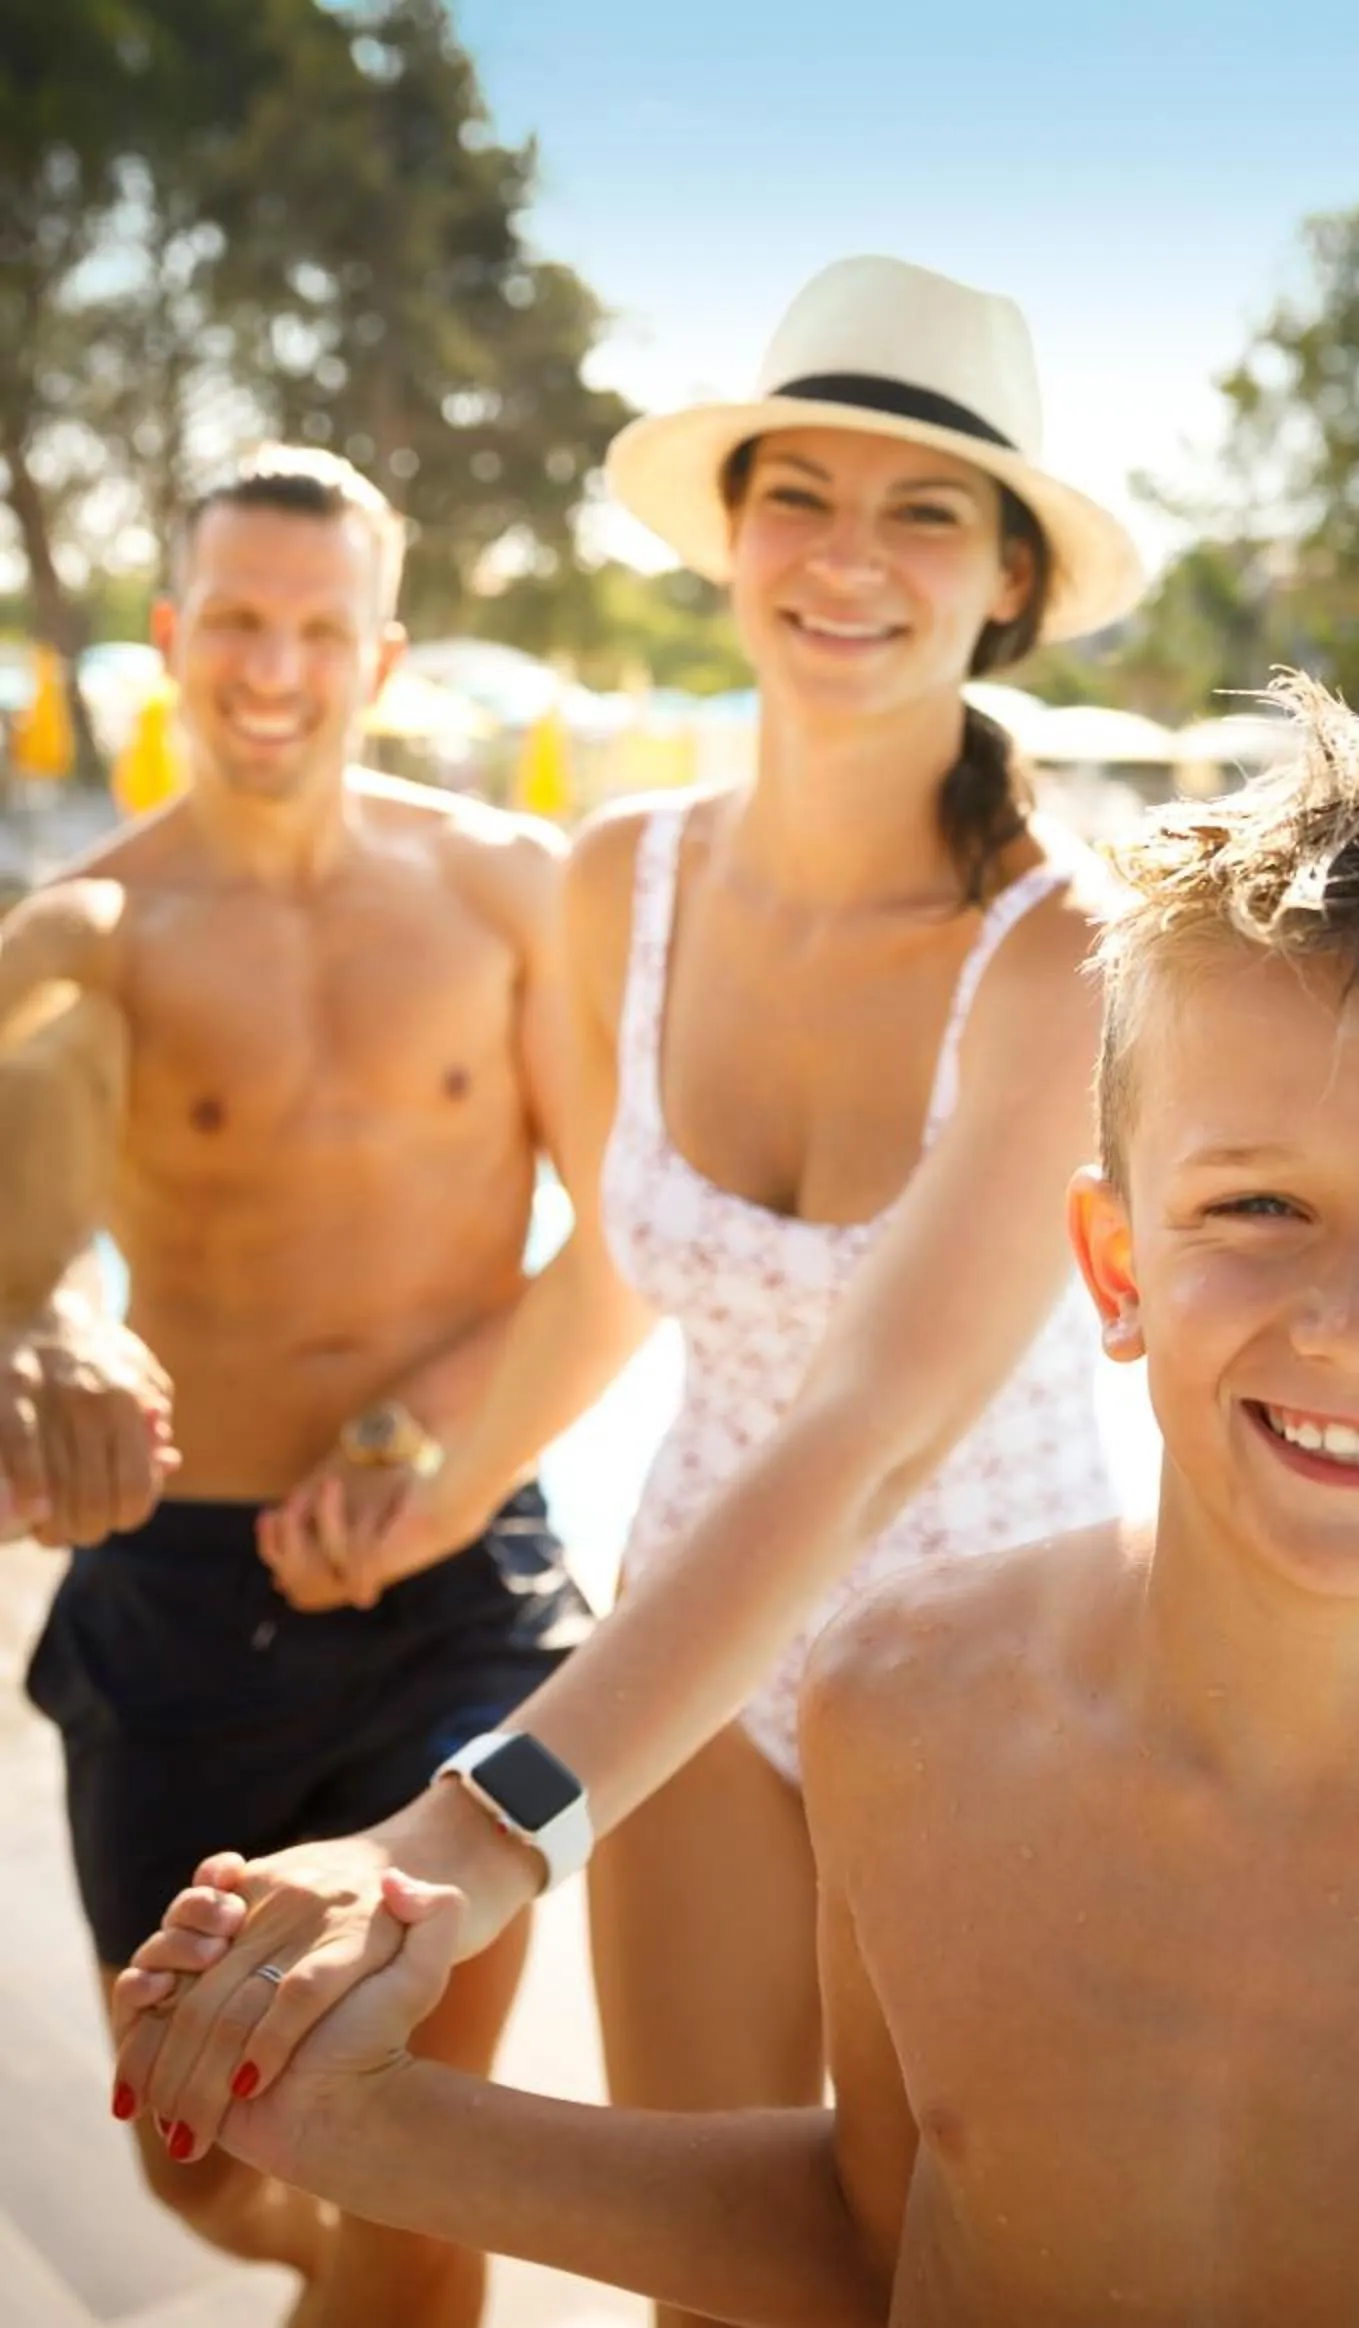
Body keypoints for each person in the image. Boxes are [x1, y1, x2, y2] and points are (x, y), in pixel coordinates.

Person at [132, 675, 1359, 2322]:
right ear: (1114, 1267)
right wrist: (375, 2133)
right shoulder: (909, 1706)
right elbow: (877, 2233)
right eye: (1258, 1209)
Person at [112, 254, 1149, 2325]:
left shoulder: (1065, 950)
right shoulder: (622, 885)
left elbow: (876, 1431)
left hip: (993, 1667)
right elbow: (618, 1267)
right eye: (803, 494)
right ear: (733, 535)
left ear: (1008, 582)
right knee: (713, 2286)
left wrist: (482, 1818)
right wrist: (415, 1473)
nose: (849, 555)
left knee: (934, 2281)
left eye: (925, 507)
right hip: (695, 1639)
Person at [0, 444, 597, 2328]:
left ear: (387, 657)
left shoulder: (509, 889)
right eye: (237, 623)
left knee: (408, 2153)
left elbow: (631, 1243)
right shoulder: (87, 933)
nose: (274, 667)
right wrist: (41, 1327)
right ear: (173, 639)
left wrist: (418, 1450)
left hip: (468, 1582)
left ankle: (388, 2264)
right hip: (179, 1604)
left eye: (318, 629)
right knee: (202, 2156)